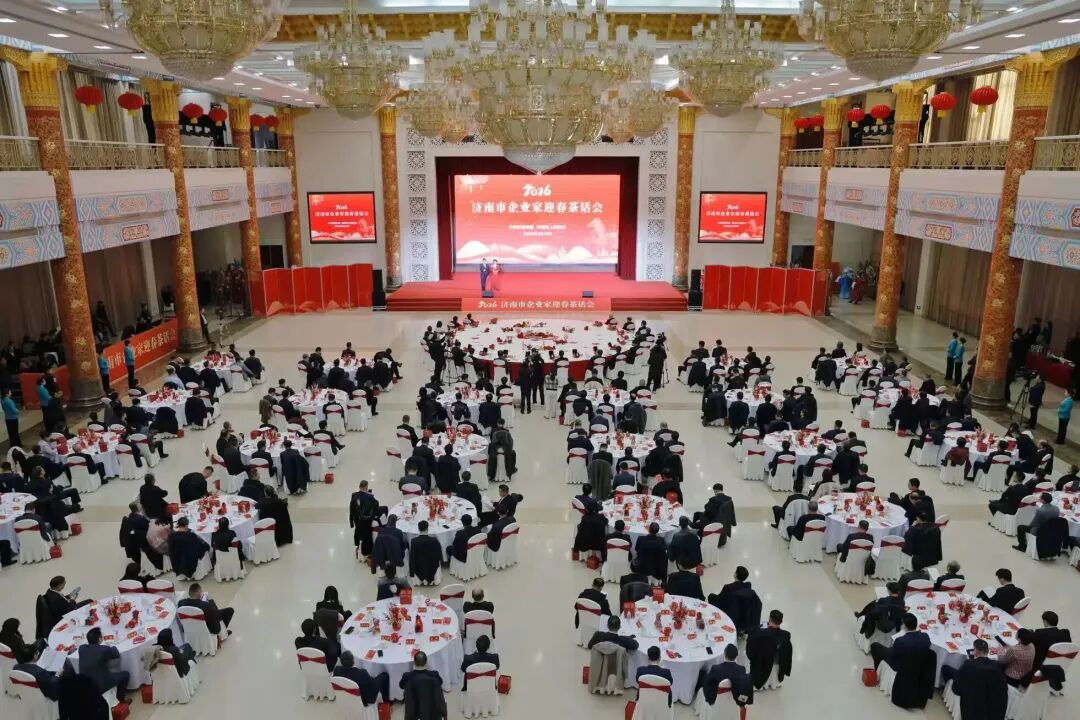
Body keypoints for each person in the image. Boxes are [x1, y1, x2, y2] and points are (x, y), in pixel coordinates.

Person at [941, 638, 1008, 720]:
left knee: (946, 668)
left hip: (972, 700)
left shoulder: (969, 664)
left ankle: (943, 688)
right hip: (989, 703)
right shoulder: (996, 665)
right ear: (987, 651)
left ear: (976, 651)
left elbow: (957, 688)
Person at [78, 627, 130, 703]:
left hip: (85, 684)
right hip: (101, 684)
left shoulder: (81, 648)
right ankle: (120, 700)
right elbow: (116, 653)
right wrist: (110, 645)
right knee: (125, 674)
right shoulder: (103, 649)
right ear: (99, 639)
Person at [746, 610, 793, 690]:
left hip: (761, 663)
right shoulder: (786, 635)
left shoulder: (758, 633)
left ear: (770, 619)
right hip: (777, 663)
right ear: (781, 622)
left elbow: (750, 651)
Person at [400, 651, 446, 720]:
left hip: (413, 710)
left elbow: (401, 686)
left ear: (414, 662)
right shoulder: (434, 675)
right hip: (432, 710)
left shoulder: (407, 676)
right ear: (426, 662)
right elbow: (440, 682)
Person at [349, 480, 383, 558]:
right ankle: (366, 553)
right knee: (367, 537)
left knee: (358, 530)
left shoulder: (354, 495)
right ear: (366, 487)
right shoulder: (370, 497)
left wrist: (351, 521)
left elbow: (351, 509)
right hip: (366, 521)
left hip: (357, 520)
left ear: (359, 486)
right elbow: (376, 504)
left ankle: (357, 544)